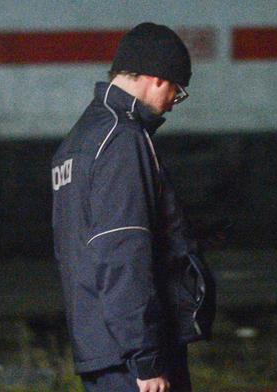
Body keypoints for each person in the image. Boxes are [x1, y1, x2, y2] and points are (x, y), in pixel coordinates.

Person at [51, 22, 215, 392]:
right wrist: (146, 359)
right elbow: (123, 252)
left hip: (99, 349)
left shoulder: (78, 140)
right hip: (132, 360)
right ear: (158, 79)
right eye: (177, 88)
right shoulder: (123, 141)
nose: (175, 100)